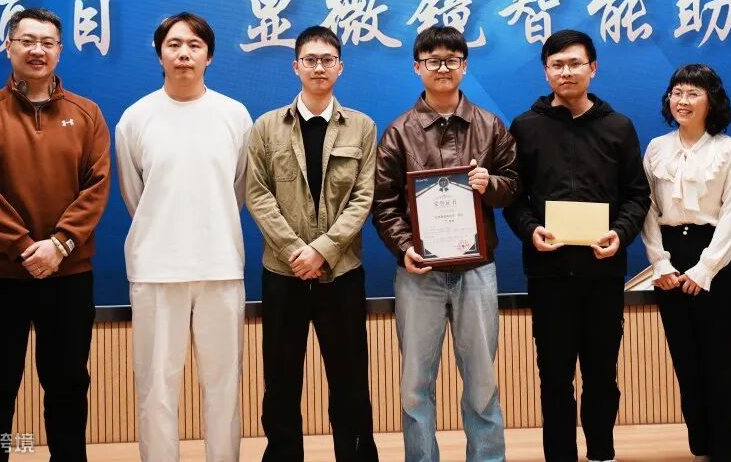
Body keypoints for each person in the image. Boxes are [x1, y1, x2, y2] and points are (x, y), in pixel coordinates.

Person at [0, 8, 110, 461]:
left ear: (60, 50)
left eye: (47, 42)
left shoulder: (87, 114)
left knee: (68, 385)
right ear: (9, 46)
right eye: (27, 40)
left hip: (68, 274)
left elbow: (97, 187)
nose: (37, 50)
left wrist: (59, 245)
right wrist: (25, 248)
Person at [503, 29, 650, 462]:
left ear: (593, 68)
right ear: (546, 71)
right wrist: (531, 230)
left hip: (603, 271)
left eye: (575, 63)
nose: (566, 72)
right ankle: (560, 455)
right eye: (557, 65)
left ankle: (602, 452)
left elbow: (637, 195)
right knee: (554, 376)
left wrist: (620, 233)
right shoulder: (525, 127)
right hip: (548, 272)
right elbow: (513, 197)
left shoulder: (618, 127)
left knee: (602, 373)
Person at [372, 26, 519, 462]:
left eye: (451, 60)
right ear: (417, 67)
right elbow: (384, 204)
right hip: (420, 273)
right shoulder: (398, 132)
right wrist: (404, 248)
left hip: (477, 270)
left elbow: (513, 186)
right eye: (432, 60)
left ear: (464, 66)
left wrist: (490, 184)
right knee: (415, 385)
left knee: (483, 383)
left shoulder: (490, 126)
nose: (442, 68)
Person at [115, 12, 253, 462]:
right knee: (155, 389)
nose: (183, 54)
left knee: (224, 388)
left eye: (194, 45)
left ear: (209, 56)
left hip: (220, 267)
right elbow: (135, 196)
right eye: (174, 45)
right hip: (156, 270)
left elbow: (238, 189)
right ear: (159, 54)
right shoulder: (135, 118)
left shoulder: (235, 115)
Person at [246, 26, 379, 461]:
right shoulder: (267, 127)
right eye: (310, 59)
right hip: (283, 273)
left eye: (327, 59)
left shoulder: (362, 127)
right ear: (296, 66)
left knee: (350, 380)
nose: (318, 67)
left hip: (341, 273)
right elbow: (257, 194)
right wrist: (294, 251)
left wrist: (323, 249)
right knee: (281, 380)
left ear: (340, 67)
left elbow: (364, 196)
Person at [641, 64, 731, 462]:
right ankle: (701, 445)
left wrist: (705, 269)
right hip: (670, 258)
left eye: (693, 93)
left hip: (717, 258)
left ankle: (724, 450)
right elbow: (646, 210)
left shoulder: (730, 150)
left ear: (711, 101)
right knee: (685, 358)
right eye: (677, 92)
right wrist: (660, 263)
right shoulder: (656, 148)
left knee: (721, 359)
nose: (682, 101)